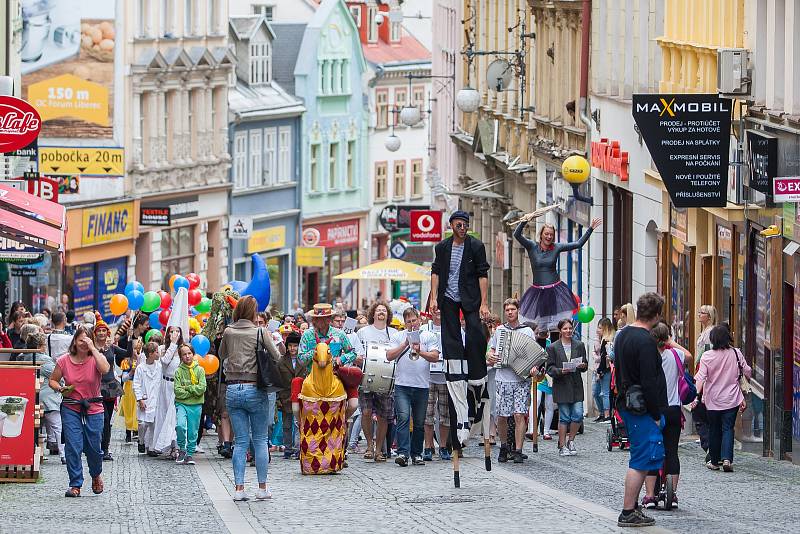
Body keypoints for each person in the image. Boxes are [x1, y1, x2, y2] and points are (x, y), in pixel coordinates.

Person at [429, 210, 491, 454]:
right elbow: (435, 272)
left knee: (475, 331)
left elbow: (482, 274)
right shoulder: (443, 247)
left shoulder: (476, 246)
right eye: (459, 224)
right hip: (448, 296)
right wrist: (434, 298)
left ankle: (476, 370)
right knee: (450, 335)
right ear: (452, 225)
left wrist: (484, 302)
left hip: (470, 297)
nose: (462, 227)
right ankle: (454, 362)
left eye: (465, 224)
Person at [613, 292, 667, 527]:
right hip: (640, 407)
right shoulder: (645, 341)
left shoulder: (623, 335)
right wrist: (656, 414)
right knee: (641, 460)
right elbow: (649, 382)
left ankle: (633, 507)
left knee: (642, 457)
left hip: (628, 401)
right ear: (656, 315)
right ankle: (628, 511)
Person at [218, 295, 280, 501]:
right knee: (261, 440)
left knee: (241, 441)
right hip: (255, 388)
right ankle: (262, 488)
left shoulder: (228, 331)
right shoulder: (260, 332)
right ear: (252, 313)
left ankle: (238, 489)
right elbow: (277, 357)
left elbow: (221, 355)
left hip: (233, 389)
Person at [49, 325, 111, 497]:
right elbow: (52, 381)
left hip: (93, 407)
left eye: (87, 340)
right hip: (71, 407)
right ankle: (75, 484)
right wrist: (60, 388)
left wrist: (93, 348)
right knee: (73, 446)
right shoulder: (64, 360)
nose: (83, 343)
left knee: (94, 448)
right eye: (80, 340)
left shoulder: (95, 358)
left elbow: (105, 369)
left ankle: (96, 474)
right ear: (74, 341)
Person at [513, 216, 602, 330]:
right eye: (546, 234)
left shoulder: (556, 247)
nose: (549, 237)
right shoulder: (532, 246)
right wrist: (525, 220)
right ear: (541, 235)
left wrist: (590, 229)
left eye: (551, 234)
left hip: (555, 290)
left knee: (556, 326)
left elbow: (578, 244)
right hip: (538, 291)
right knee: (540, 327)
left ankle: (556, 345)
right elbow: (517, 235)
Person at [386, 307, 440, 467]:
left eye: (414, 320)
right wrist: (405, 344)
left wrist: (419, 350)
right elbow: (389, 356)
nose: (412, 324)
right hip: (402, 384)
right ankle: (403, 453)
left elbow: (435, 357)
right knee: (403, 418)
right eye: (408, 321)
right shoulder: (398, 336)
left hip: (422, 386)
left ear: (420, 320)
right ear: (405, 323)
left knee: (418, 421)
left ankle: (416, 453)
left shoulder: (429, 336)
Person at [695, 324, 751, 473]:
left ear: (713, 339)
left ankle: (714, 461)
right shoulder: (736, 353)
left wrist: (696, 395)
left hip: (712, 399)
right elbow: (747, 370)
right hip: (731, 397)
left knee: (714, 429)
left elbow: (701, 377)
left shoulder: (707, 356)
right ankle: (727, 459)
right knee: (728, 428)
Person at [642, 322, 687, 509]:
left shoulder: (647, 359)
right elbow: (689, 355)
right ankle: (673, 495)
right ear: (667, 338)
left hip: (654, 410)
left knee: (652, 452)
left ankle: (650, 496)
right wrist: (670, 341)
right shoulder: (677, 354)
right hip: (674, 409)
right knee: (672, 452)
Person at [487, 298, 537, 463]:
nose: (510, 312)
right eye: (507, 310)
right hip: (503, 378)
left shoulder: (527, 331)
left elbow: (534, 355)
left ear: (518, 311)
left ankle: (518, 449)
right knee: (501, 415)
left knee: (518, 414)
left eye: (512, 309)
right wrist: (491, 356)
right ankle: (504, 446)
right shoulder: (500, 331)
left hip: (521, 379)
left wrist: (533, 367)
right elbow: (491, 351)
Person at [355, 301, 397, 461]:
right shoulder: (363, 332)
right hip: (366, 377)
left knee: (383, 416)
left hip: (387, 380)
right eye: (378, 310)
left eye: (384, 311)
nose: (381, 312)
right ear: (373, 313)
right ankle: (369, 445)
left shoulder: (393, 333)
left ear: (388, 315)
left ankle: (379, 450)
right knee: (365, 412)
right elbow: (356, 352)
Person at [546, 319, 588, 456]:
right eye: (565, 329)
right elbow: (550, 369)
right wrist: (560, 371)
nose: (568, 331)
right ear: (560, 330)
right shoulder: (553, 347)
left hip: (576, 385)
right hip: (562, 385)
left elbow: (585, 364)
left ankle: (571, 440)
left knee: (577, 414)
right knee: (564, 416)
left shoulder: (579, 345)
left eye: (570, 328)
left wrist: (582, 366)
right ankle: (562, 445)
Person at [93, 314, 128, 461]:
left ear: (107, 333)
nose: (101, 333)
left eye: (104, 331)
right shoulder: (91, 348)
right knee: (100, 419)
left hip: (110, 386)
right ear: (95, 333)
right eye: (99, 331)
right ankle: (96, 448)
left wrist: (131, 338)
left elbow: (128, 354)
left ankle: (105, 449)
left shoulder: (112, 348)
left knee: (107, 420)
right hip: (95, 387)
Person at [422, 308, 452, 461]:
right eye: (435, 308)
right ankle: (428, 447)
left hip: (446, 377)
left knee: (445, 415)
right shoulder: (424, 328)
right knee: (428, 414)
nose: (439, 311)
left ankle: (443, 446)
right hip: (427, 377)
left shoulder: (452, 327)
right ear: (431, 311)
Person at [152, 326, 184, 456]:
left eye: (177, 331)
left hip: (178, 386)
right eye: (171, 331)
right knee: (165, 415)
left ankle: (176, 446)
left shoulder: (183, 349)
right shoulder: (163, 349)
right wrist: (172, 344)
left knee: (175, 416)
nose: (174, 334)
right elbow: (165, 361)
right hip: (166, 385)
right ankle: (167, 445)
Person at [173, 343, 207, 465]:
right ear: (181, 357)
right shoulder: (178, 372)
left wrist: (188, 388)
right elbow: (177, 391)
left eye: (189, 353)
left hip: (196, 405)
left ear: (193, 354)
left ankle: (190, 453)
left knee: (193, 430)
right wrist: (192, 391)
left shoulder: (200, 370)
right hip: (182, 404)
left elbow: (202, 388)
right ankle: (182, 448)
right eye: (184, 354)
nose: (187, 356)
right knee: (180, 426)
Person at [275, 332, 305, 459]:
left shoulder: (303, 360)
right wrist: (278, 398)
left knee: (300, 423)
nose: (292, 348)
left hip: (301, 396)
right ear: (287, 346)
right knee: (287, 424)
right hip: (286, 396)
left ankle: (299, 447)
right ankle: (288, 448)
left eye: (295, 346)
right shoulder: (281, 361)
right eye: (290, 346)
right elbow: (277, 380)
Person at [133, 341, 161, 456]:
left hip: (155, 399)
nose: (159, 354)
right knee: (143, 424)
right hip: (144, 398)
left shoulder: (159, 367)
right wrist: (140, 399)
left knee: (153, 424)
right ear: (150, 354)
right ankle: (141, 440)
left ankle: (151, 447)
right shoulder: (140, 368)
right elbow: (136, 384)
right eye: (157, 352)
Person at [532, 326, 556, 440]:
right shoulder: (534, 343)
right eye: (538, 332)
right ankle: (533, 429)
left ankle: (546, 430)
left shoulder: (551, 344)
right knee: (535, 402)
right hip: (538, 376)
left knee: (549, 404)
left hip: (549, 377)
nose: (540, 334)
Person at [592, 318, 616, 422]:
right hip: (600, 368)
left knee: (605, 392)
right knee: (596, 392)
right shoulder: (602, 339)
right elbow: (596, 351)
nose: (598, 330)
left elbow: (604, 357)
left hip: (605, 369)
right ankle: (603, 413)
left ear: (605, 329)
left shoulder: (608, 340)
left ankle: (607, 415)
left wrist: (600, 371)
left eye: (600, 328)